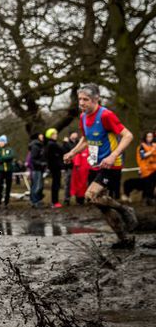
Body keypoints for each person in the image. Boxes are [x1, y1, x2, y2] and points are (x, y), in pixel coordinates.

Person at [63, 84, 137, 249]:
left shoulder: (106, 115)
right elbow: (86, 139)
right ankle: (124, 239)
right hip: (95, 164)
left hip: (111, 164)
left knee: (91, 195)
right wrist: (73, 153)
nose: (81, 103)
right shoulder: (83, 117)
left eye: (85, 99)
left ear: (96, 99)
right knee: (101, 205)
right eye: (80, 99)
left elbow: (128, 136)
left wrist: (113, 156)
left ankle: (125, 210)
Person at [0, 135, 15, 208]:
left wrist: (3, 158)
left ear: (5, 142)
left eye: (2, 141)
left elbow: (11, 156)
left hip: (9, 170)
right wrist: (5, 158)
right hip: (1, 170)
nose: (0, 143)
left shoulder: (10, 149)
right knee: (0, 186)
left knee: (8, 187)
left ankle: (7, 202)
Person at [45, 128, 64, 208]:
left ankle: (55, 201)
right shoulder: (52, 144)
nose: (56, 135)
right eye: (54, 134)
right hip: (55, 167)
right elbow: (62, 151)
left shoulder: (51, 144)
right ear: (50, 135)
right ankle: (54, 202)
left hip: (55, 167)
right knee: (56, 184)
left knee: (56, 184)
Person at [136, 131, 156, 205]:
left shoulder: (154, 145)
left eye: (151, 136)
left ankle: (150, 199)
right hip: (146, 169)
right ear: (145, 137)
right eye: (148, 136)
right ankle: (144, 200)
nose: (150, 138)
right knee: (147, 185)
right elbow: (142, 155)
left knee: (152, 185)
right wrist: (152, 151)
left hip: (154, 168)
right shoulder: (142, 146)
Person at [29, 133, 46, 208]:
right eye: (41, 135)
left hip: (40, 169)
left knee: (39, 185)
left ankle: (37, 200)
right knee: (37, 186)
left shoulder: (40, 146)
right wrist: (41, 163)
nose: (42, 136)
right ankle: (35, 201)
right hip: (36, 169)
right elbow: (33, 159)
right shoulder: (35, 146)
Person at [62, 132, 79, 205]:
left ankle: (78, 198)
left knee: (77, 183)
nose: (75, 135)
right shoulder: (66, 143)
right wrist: (65, 143)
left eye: (76, 134)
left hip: (78, 166)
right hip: (69, 167)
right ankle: (67, 199)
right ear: (70, 135)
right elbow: (68, 151)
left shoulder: (78, 143)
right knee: (68, 183)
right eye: (73, 134)